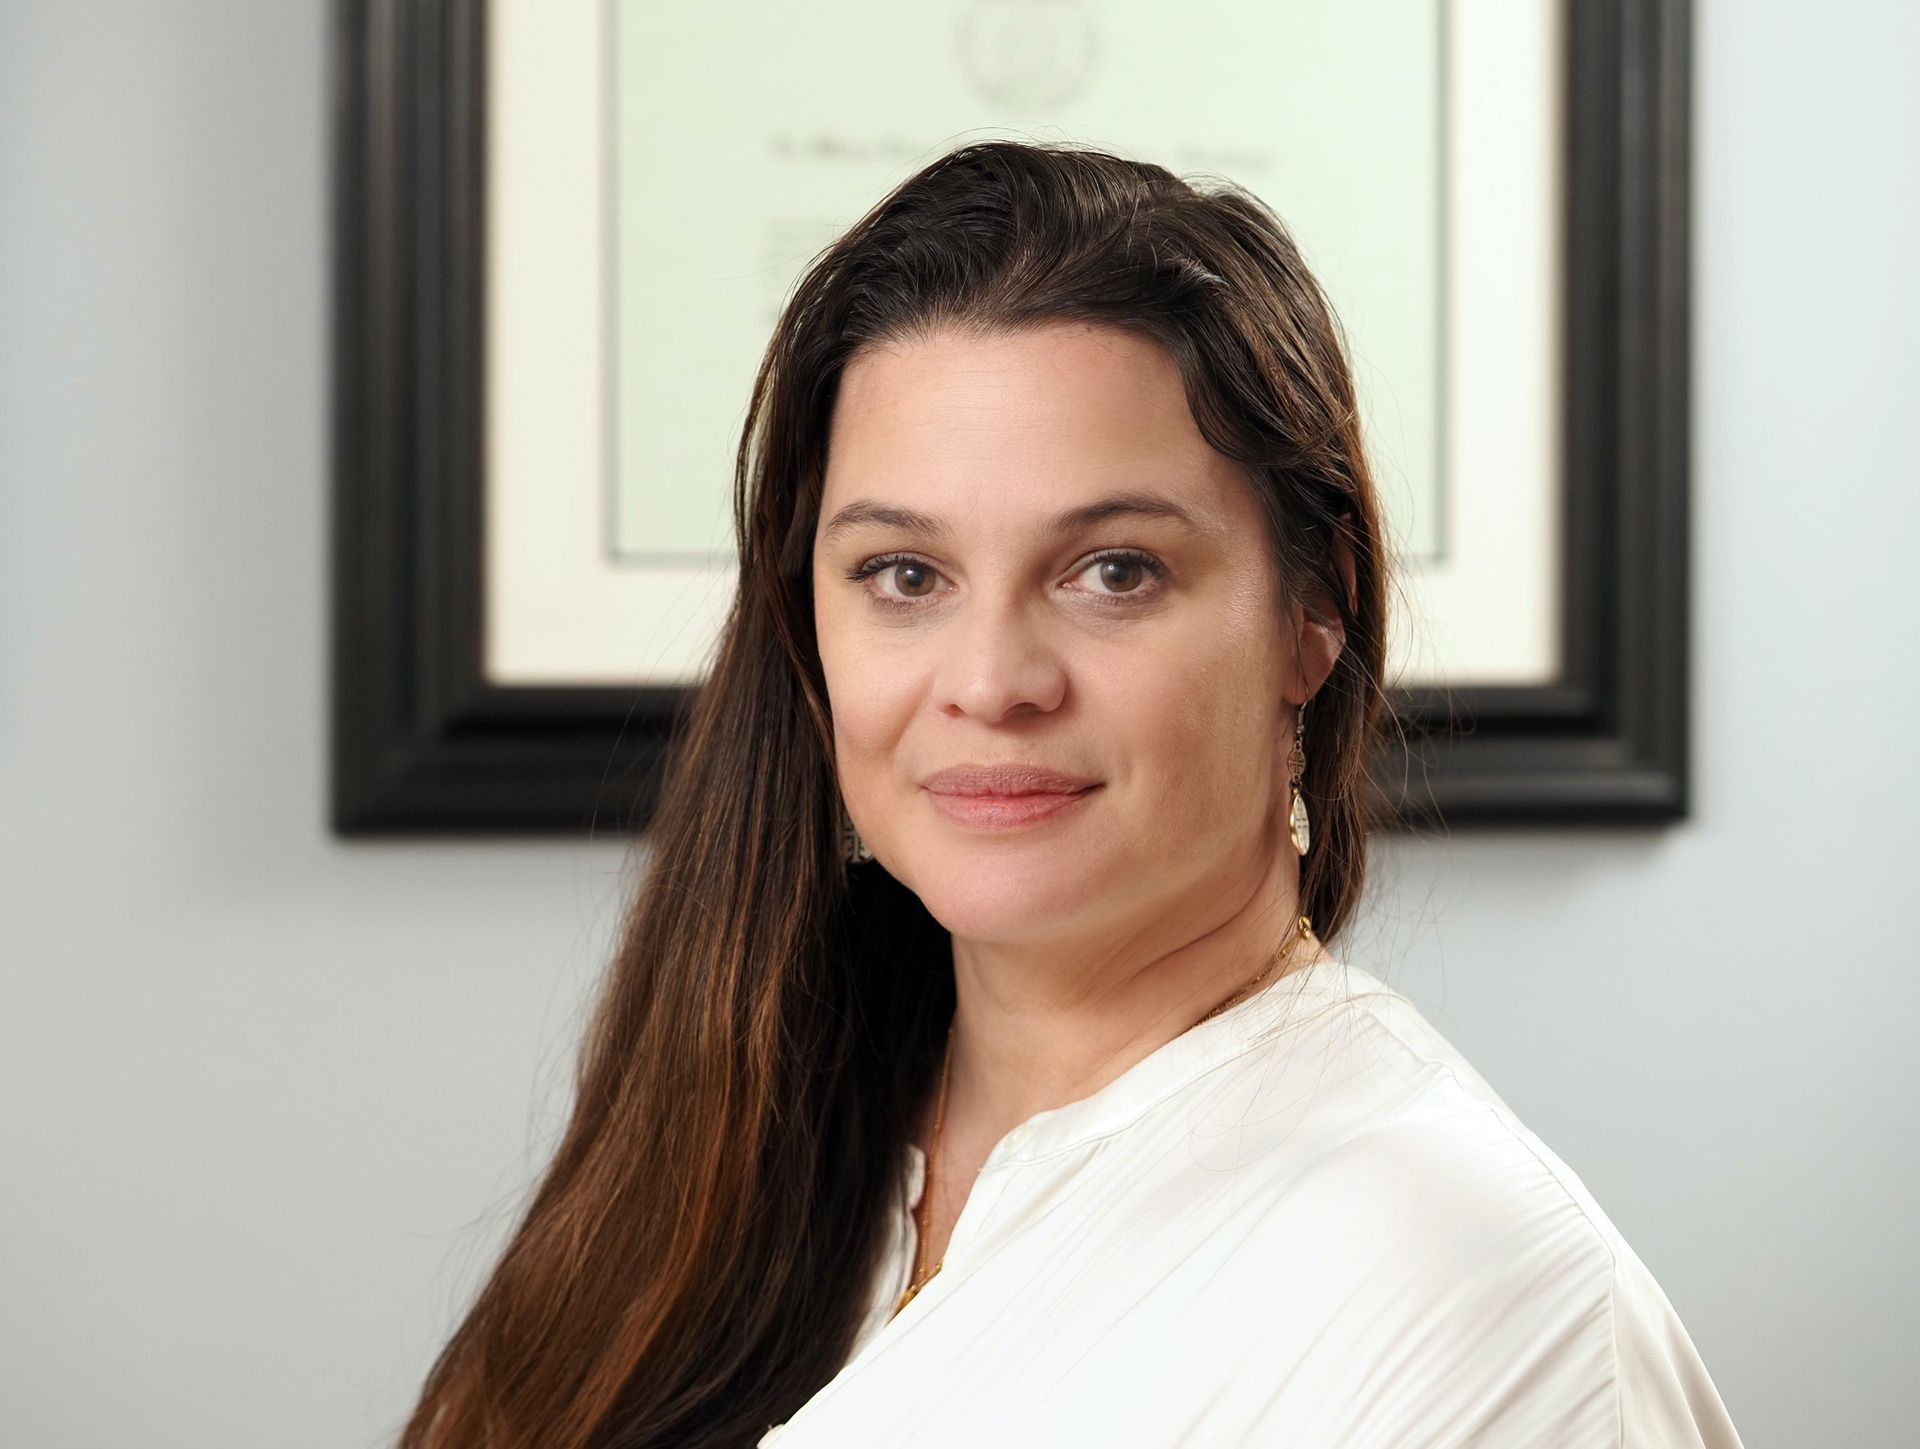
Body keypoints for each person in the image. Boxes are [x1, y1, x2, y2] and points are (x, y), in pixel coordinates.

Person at [397, 140, 1743, 1448]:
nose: (990, 682)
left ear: (1313, 609)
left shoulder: (1474, 1293)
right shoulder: (731, 1154)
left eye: (1113, 570)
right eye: (905, 576)